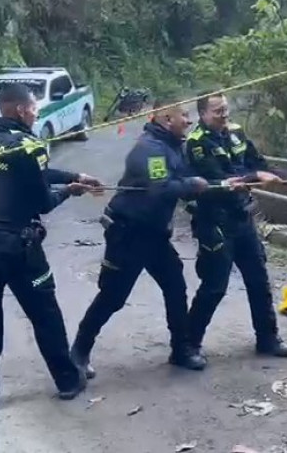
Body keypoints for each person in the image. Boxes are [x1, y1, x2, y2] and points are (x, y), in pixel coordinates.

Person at [0, 83, 102, 415]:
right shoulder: (29, 145)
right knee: (44, 313)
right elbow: (43, 201)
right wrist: (70, 190)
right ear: (20, 109)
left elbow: (30, 172)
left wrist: (74, 175)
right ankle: (67, 380)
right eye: (34, 108)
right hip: (16, 243)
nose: (36, 113)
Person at [70, 100, 210, 378]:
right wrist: (192, 185)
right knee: (113, 296)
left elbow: (182, 178)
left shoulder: (173, 146)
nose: (189, 120)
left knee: (175, 286)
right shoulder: (150, 149)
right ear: (166, 119)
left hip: (155, 234)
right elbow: (160, 188)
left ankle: (181, 349)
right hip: (129, 233)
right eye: (184, 115)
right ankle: (79, 351)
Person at [184, 92, 287, 365]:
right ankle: (188, 345)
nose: (224, 115)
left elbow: (259, 164)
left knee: (258, 280)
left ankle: (267, 338)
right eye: (217, 111)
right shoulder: (197, 143)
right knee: (215, 286)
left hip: (243, 218)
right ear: (203, 114)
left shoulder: (236, 133)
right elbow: (220, 180)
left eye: (225, 109)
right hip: (215, 221)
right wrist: (255, 176)